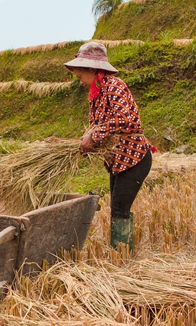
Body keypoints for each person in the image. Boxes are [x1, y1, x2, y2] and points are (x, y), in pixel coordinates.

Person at [64, 41, 152, 251]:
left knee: (119, 209)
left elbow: (124, 117)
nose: (80, 82)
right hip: (117, 161)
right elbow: (97, 129)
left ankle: (121, 256)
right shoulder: (96, 96)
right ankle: (121, 252)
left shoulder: (114, 86)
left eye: (81, 77)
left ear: (93, 70)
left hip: (134, 158)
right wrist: (82, 143)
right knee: (117, 208)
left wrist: (95, 137)